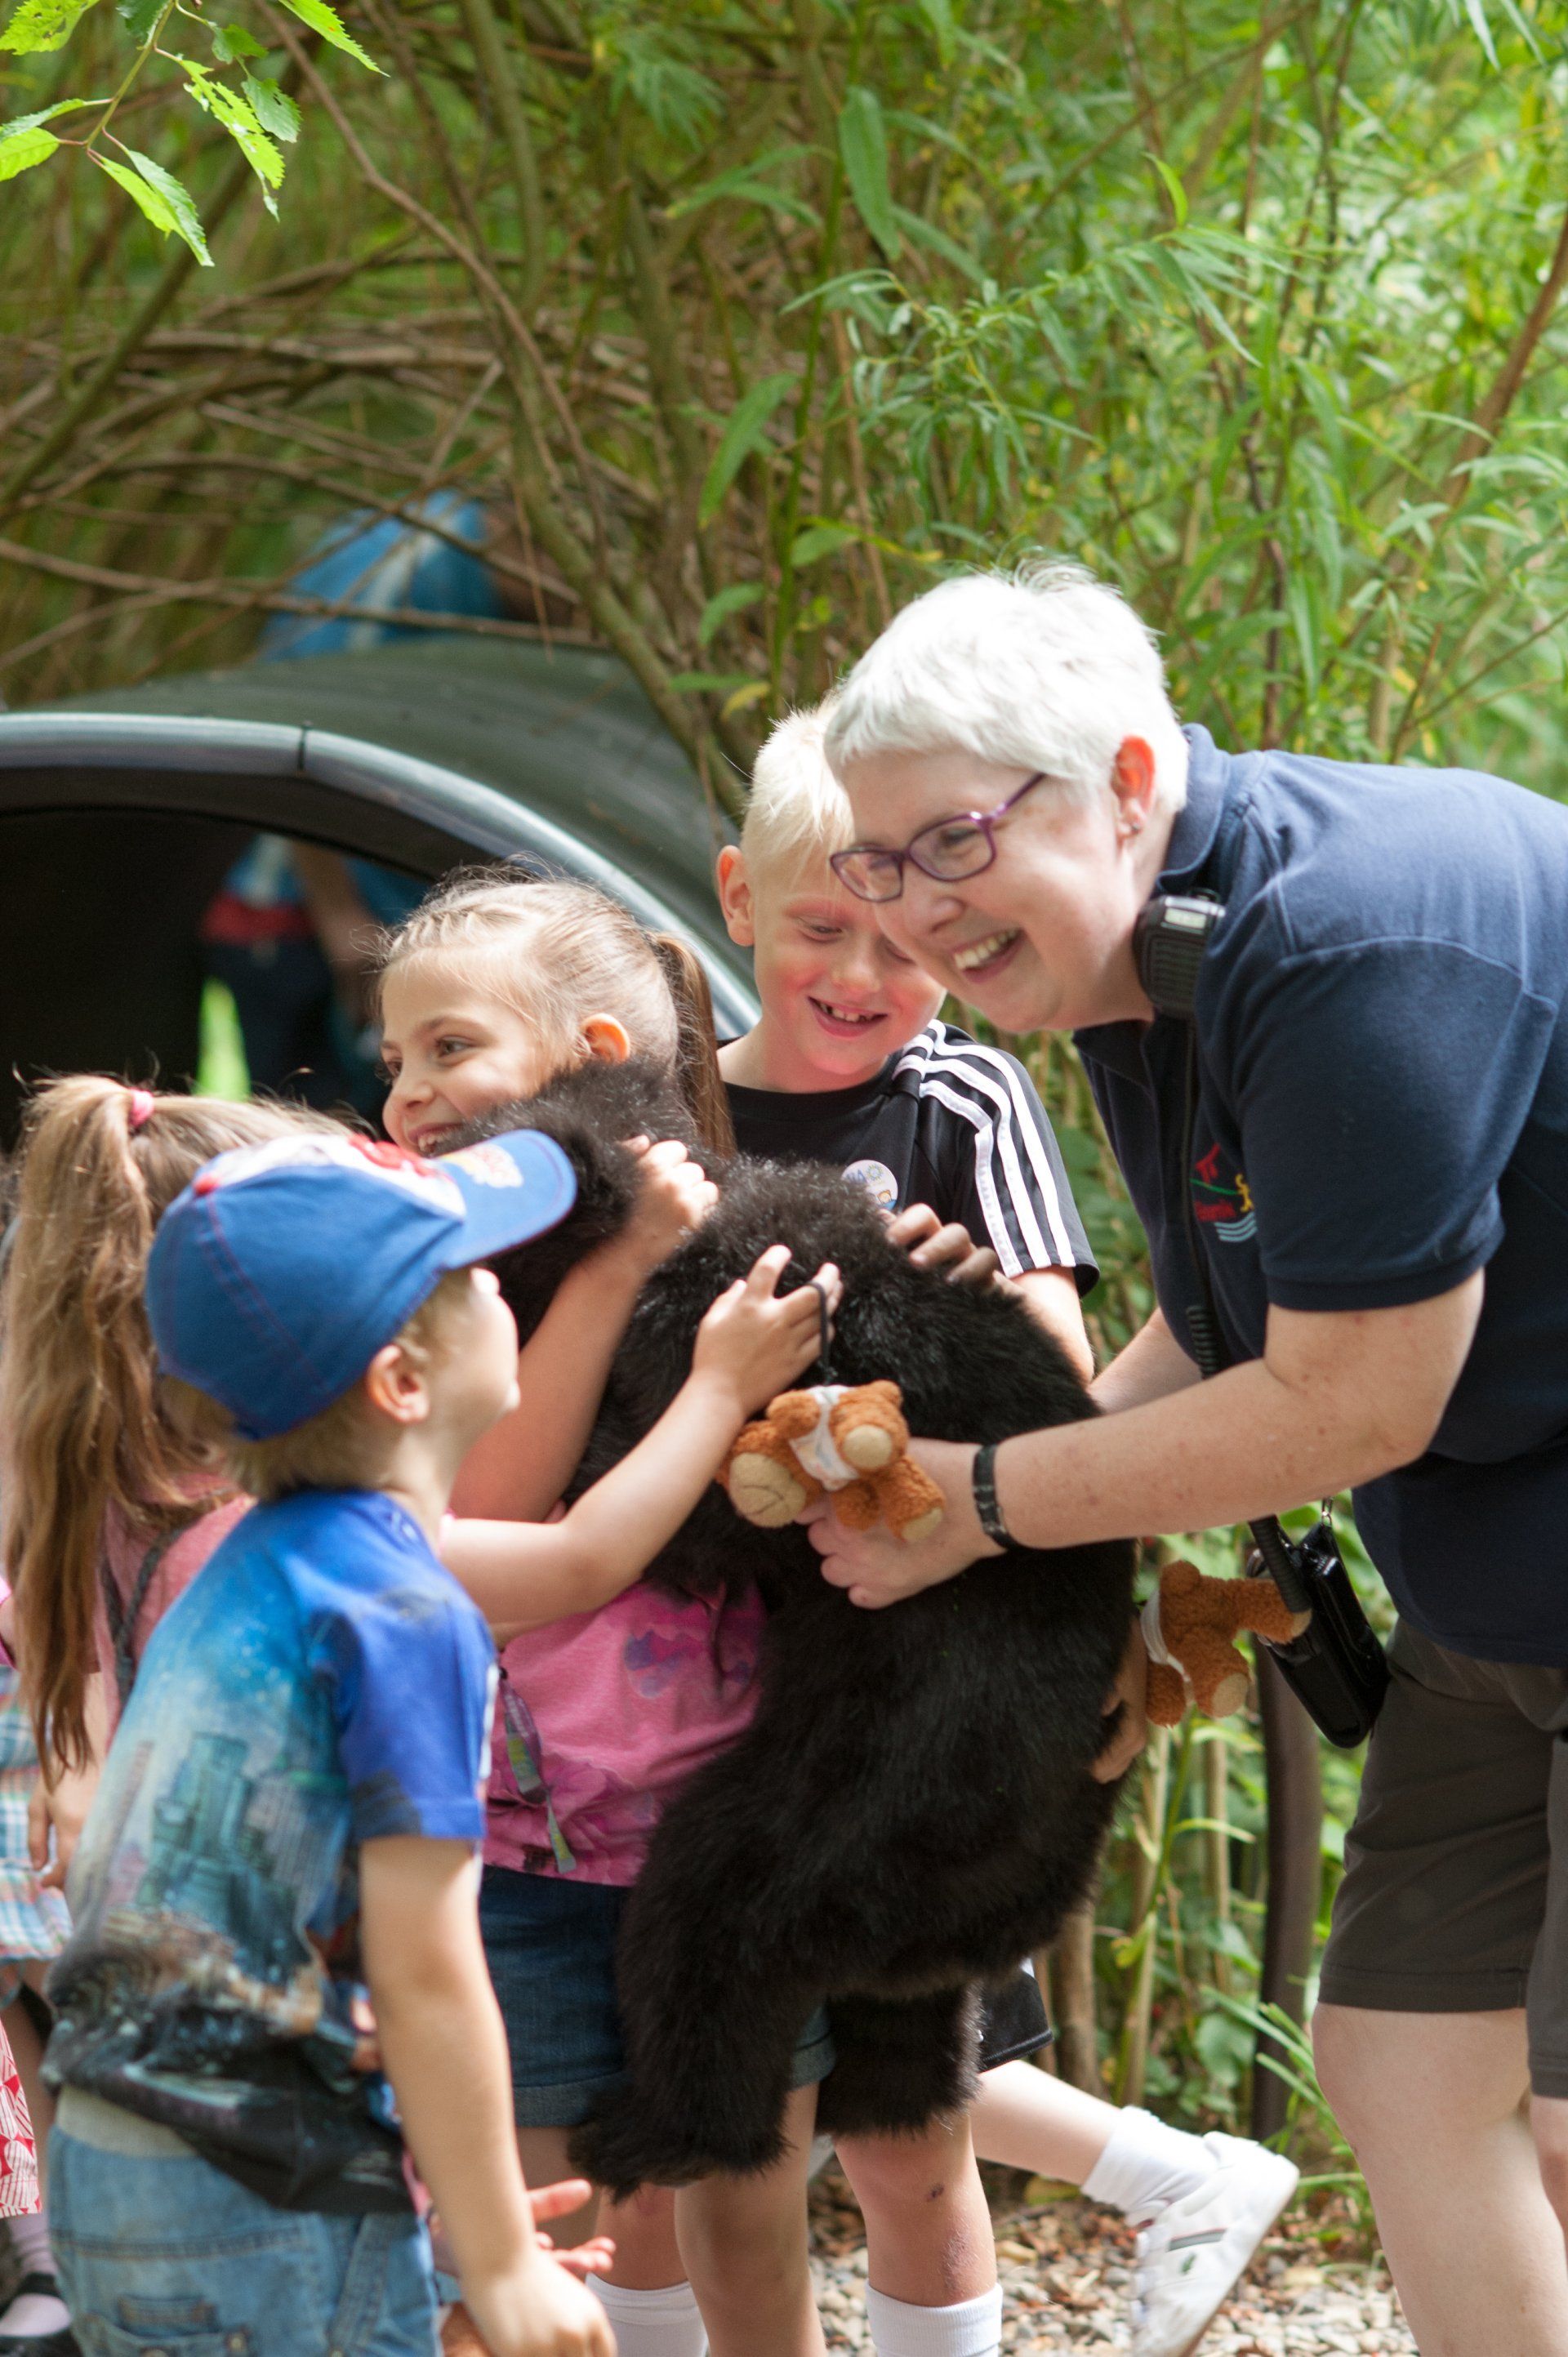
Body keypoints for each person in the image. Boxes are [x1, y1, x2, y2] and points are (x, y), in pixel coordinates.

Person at [803, 561, 1568, 2357]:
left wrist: (976, 1512)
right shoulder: (1137, 968)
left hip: (1506, 1513)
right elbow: (1227, 1334)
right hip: (1496, 1577)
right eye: (877, 861)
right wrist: (974, 1496)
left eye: (955, 841)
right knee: (1401, 2056)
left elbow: (1351, 1400)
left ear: (1127, 783)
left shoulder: (1347, 945)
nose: (914, 910)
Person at [717, 701, 1298, 2357]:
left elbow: (1058, 1387)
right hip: (721, 1664)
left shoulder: (961, 1094)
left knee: (907, 2115)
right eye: (822, 926)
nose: (864, 971)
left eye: (897, 939)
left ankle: (1163, 2168)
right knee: (756, 2068)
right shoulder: (683, 1103)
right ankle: (1165, 2167)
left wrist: (951, 1323)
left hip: (922, 1655)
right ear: (740, 905)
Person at [39, 1119, 700, 2357]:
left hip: (123, 2154)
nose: (500, 1281)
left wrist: (455, 2196)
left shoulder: (250, 1561)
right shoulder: (398, 1610)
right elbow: (429, 1962)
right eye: (468, 1275)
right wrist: (501, 2263)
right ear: (403, 1379)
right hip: (260, 2181)